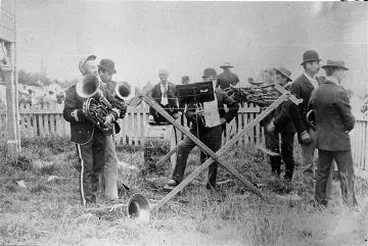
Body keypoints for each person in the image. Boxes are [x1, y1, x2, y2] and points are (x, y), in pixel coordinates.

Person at [63, 55, 124, 206]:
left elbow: (119, 105)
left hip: (100, 133)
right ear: (83, 70)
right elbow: (67, 113)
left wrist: (111, 116)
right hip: (82, 134)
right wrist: (84, 113)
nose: (96, 69)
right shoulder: (73, 89)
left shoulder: (102, 87)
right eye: (91, 67)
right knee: (87, 166)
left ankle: (94, 199)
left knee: (98, 166)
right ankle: (87, 203)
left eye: (96, 67)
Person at [166, 68, 239, 190]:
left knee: (214, 156)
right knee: (182, 146)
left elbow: (235, 106)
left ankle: (211, 184)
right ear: (204, 80)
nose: (212, 82)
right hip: (197, 129)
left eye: (214, 79)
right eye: (209, 80)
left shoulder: (220, 94)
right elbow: (188, 113)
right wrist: (195, 115)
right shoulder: (195, 95)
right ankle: (176, 178)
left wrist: (224, 119)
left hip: (215, 130)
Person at [309, 60, 358, 208]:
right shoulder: (340, 92)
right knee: (346, 174)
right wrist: (347, 126)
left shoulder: (316, 91)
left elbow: (310, 114)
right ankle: (350, 206)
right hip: (340, 141)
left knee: (322, 174)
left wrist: (319, 128)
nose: (343, 75)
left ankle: (319, 204)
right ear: (336, 72)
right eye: (343, 71)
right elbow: (349, 120)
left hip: (323, 140)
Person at [289, 50, 324, 199]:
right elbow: (293, 109)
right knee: (308, 164)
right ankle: (308, 195)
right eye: (316, 63)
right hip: (308, 129)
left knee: (323, 162)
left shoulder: (320, 82)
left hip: (322, 128)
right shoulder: (297, 84)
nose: (319, 66)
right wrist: (302, 131)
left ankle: (321, 195)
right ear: (307, 65)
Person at [97, 58, 127, 201]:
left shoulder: (114, 86)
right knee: (108, 158)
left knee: (108, 157)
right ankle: (109, 193)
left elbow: (122, 107)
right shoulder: (97, 85)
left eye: (109, 73)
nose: (106, 75)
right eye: (105, 72)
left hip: (110, 125)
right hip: (99, 124)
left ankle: (107, 190)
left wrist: (113, 113)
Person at [264, 66, 296, 182]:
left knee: (287, 152)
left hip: (287, 126)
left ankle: (288, 179)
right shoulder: (279, 89)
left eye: (278, 76)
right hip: (278, 124)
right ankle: (275, 175)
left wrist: (274, 122)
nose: (276, 78)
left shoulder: (290, 90)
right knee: (274, 150)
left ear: (285, 78)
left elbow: (286, 111)